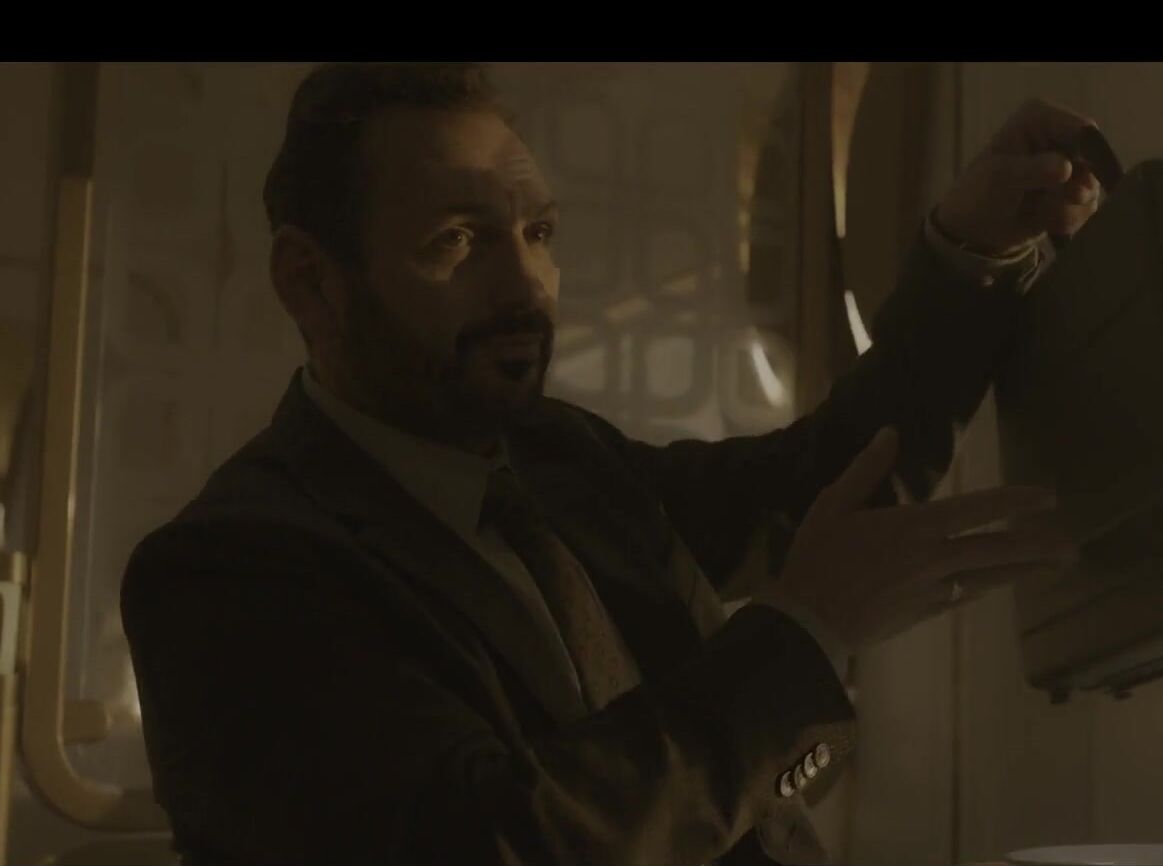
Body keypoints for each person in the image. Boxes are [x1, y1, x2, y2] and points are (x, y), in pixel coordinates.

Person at [121, 62, 1100, 866]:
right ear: (311, 283)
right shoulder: (227, 573)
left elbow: (817, 488)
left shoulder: (557, 457)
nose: (524, 286)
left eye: (538, 233)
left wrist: (974, 249)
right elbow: (490, 845)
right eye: (455, 240)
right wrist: (803, 631)